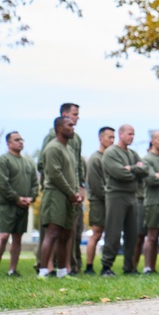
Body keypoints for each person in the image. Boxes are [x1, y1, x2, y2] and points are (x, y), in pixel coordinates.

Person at [37, 103, 86, 274]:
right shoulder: (53, 147)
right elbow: (55, 174)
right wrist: (71, 193)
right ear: (59, 128)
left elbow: (75, 172)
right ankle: (43, 270)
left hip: (70, 196)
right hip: (56, 194)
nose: (73, 127)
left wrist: (78, 192)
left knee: (66, 234)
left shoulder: (69, 149)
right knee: (53, 233)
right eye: (69, 125)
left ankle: (62, 271)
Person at [101, 125, 149, 276]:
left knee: (132, 234)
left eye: (133, 134)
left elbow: (146, 169)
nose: (132, 137)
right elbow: (119, 173)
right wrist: (135, 171)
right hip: (116, 195)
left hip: (131, 196)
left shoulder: (133, 154)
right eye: (129, 134)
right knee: (113, 233)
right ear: (121, 134)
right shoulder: (111, 153)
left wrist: (131, 169)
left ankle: (130, 267)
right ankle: (106, 266)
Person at [0, 131, 39, 276]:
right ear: (8, 143)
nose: (20, 142)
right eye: (16, 140)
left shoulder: (28, 163)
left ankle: (12, 270)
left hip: (23, 207)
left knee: (18, 238)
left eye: (22, 139)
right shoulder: (4, 160)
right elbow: (2, 184)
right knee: (3, 237)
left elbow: (35, 183)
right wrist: (16, 198)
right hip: (6, 206)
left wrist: (32, 197)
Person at [83, 127, 114, 275]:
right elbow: (96, 185)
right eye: (109, 137)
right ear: (101, 138)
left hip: (111, 201)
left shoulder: (111, 157)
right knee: (96, 233)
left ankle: (106, 266)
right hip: (99, 202)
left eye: (113, 137)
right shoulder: (95, 158)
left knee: (109, 234)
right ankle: (89, 266)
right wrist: (110, 198)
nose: (112, 140)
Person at [141, 131, 159, 274]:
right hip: (153, 202)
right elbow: (150, 179)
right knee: (152, 236)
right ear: (152, 141)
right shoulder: (147, 159)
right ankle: (148, 267)